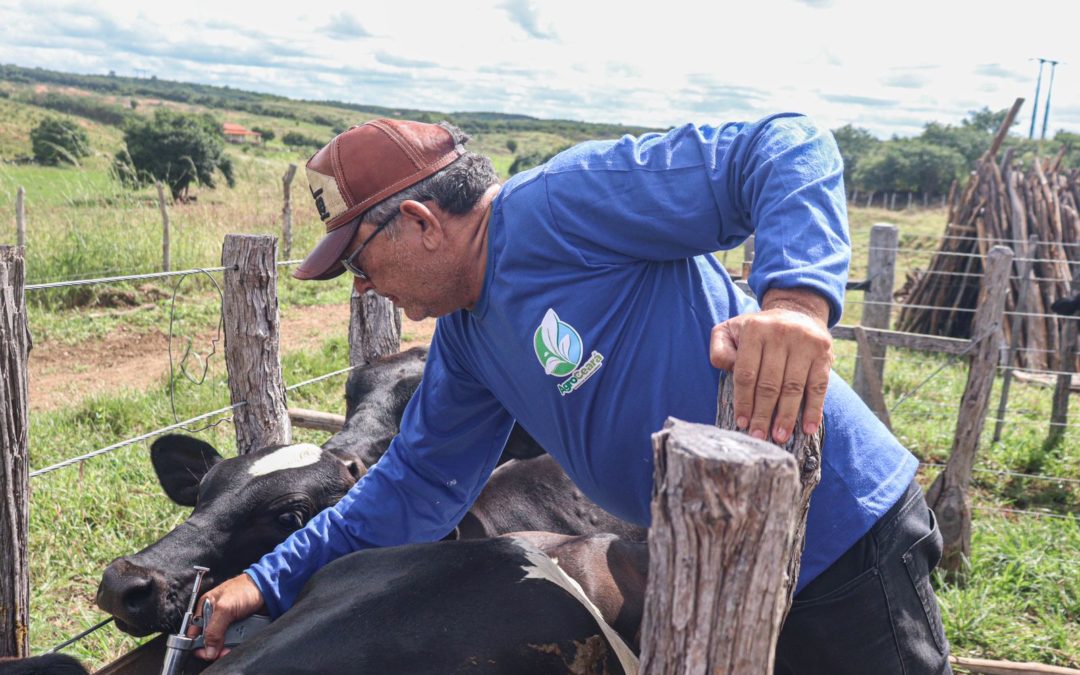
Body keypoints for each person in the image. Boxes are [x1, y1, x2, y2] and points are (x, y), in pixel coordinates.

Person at [193, 116, 951, 673]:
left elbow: (787, 146)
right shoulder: (469, 339)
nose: (362, 286)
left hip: (840, 537)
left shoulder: (562, 205)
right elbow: (415, 485)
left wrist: (794, 305)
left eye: (359, 261)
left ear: (420, 221)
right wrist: (268, 578)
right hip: (704, 566)